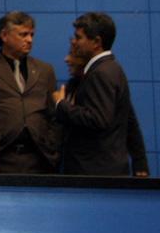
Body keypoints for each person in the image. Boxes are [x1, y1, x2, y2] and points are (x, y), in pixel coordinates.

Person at [52, 12, 145, 176]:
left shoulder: (100, 73)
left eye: (78, 37)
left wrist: (61, 105)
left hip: (95, 170)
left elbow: (97, 118)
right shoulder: (112, 68)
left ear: (96, 42)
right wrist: (140, 162)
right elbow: (128, 119)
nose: (74, 42)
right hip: (105, 168)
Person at [61, 47, 149, 177]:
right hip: (77, 168)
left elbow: (129, 122)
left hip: (101, 170)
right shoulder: (71, 86)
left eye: (72, 55)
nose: (67, 59)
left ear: (85, 60)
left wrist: (140, 161)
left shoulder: (103, 79)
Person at [0, 12, 61, 173]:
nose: (30, 40)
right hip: (1, 157)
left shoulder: (45, 70)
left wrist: (52, 144)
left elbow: (54, 114)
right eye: (23, 34)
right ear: (4, 35)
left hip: (39, 158)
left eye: (32, 35)